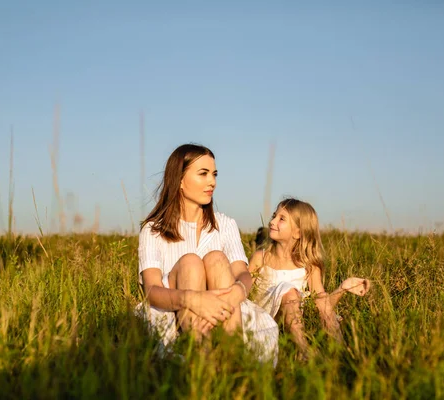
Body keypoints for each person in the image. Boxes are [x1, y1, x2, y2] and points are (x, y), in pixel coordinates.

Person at [136, 143, 278, 363]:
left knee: (216, 258)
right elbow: (151, 289)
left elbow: (243, 273)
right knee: (191, 262)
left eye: (214, 174)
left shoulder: (225, 224)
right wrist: (192, 299)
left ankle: (231, 354)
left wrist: (236, 292)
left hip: (225, 309)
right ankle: (201, 357)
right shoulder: (154, 229)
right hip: (173, 311)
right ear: (180, 180)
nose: (212, 181)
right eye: (203, 174)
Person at [249, 198, 370, 358]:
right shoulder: (261, 258)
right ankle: (305, 351)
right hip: (262, 318)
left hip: (290, 321)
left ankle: (339, 353)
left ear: (298, 232)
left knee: (307, 299)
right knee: (290, 292)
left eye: (281, 219)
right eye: (274, 216)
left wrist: (343, 288)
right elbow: (243, 293)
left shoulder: (309, 266)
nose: (272, 222)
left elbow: (322, 304)